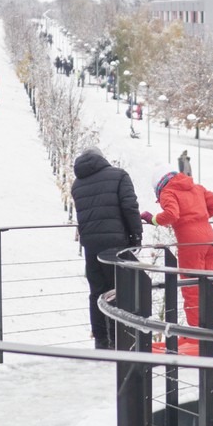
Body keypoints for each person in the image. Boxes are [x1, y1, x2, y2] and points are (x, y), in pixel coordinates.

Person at [71, 147, 142, 349]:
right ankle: (122, 342)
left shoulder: (77, 184)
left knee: (97, 293)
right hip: (116, 245)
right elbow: (129, 206)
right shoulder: (119, 175)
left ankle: (102, 342)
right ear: (102, 159)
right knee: (121, 291)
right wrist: (136, 236)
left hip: (91, 247)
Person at [141, 166, 213, 330]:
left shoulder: (168, 192)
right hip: (210, 239)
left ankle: (197, 332)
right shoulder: (195, 187)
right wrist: (199, 217)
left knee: (192, 287)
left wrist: (153, 219)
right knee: (210, 284)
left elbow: (172, 214)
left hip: (190, 242)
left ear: (159, 186)